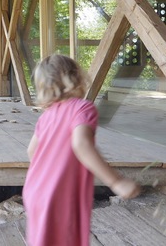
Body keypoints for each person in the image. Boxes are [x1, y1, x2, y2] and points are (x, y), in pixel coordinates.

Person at [22, 54, 140, 246]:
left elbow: (31, 151)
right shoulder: (82, 108)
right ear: (76, 78)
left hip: (35, 190)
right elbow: (81, 145)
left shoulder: (46, 116)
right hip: (59, 195)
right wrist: (116, 181)